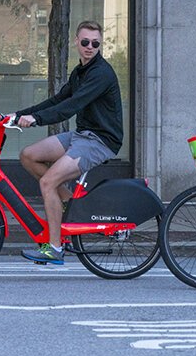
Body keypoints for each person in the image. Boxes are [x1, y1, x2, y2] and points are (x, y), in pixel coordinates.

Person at [11, 20, 123, 265]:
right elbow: (57, 100)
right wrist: (18, 115)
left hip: (100, 141)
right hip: (82, 135)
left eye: (95, 43)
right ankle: (68, 204)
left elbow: (70, 107)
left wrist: (36, 119)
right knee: (29, 155)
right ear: (76, 42)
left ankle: (55, 248)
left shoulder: (100, 74)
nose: (90, 47)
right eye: (85, 42)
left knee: (48, 182)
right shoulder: (80, 72)